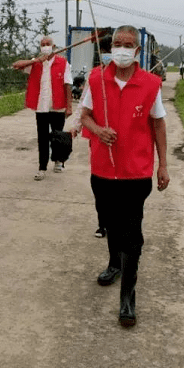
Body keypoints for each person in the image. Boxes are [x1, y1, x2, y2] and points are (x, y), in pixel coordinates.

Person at [80, 25, 170, 328]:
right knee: (109, 222)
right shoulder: (96, 79)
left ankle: (128, 299)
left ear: (137, 50)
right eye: (116, 43)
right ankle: (113, 263)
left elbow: (158, 125)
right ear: (109, 47)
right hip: (102, 170)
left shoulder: (150, 84)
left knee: (132, 234)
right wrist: (98, 131)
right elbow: (84, 116)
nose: (121, 48)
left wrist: (163, 164)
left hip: (136, 173)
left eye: (127, 44)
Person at [69, 33, 113, 239]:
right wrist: (76, 127)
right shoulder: (94, 76)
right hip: (97, 136)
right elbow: (83, 107)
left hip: (122, 137)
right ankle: (103, 223)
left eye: (110, 51)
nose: (109, 55)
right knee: (100, 183)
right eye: (105, 52)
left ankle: (116, 221)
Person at [12, 36, 73, 180]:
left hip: (58, 106)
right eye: (42, 44)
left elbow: (68, 85)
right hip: (41, 107)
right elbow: (16, 65)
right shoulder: (35, 63)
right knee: (42, 138)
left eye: (48, 44)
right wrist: (36, 61)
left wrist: (69, 106)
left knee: (58, 136)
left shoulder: (63, 63)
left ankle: (59, 161)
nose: (45, 46)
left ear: (53, 46)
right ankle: (42, 167)